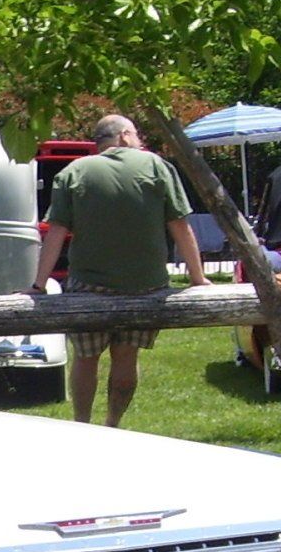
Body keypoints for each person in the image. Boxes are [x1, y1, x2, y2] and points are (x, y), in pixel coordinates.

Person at [33, 113, 207, 427]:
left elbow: (55, 232)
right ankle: (113, 425)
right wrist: (198, 278)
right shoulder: (156, 166)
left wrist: (38, 285)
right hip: (145, 286)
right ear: (125, 135)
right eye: (137, 135)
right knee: (126, 357)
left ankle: (82, 424)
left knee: (86, 359)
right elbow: (180, 225)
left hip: (88, 286)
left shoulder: (74, 172)